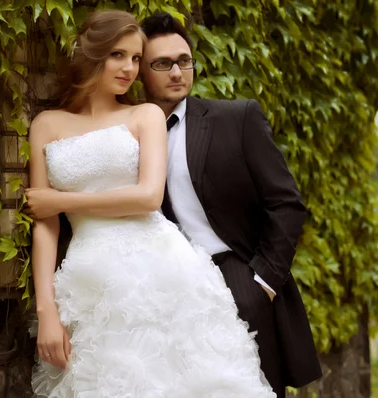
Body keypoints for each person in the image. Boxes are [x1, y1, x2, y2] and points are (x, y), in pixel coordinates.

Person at [26, 10, 276, 397]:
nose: (130, 68)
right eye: (118, 55)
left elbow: (148, 197)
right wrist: (46, 311)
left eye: (137, 58)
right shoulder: (45, 125)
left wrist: (59, 199)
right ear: (91, 54)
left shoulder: (145, 115)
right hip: (89, 281)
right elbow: (46, 224)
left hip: (162, 273)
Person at [136, 12, 323, 397]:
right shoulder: (127, 134)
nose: (176, 72)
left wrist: (263, 283)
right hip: (167, 292)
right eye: (162, 63)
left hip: (238, 277)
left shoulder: (236, 118)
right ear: (141, 71)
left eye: (184, 61)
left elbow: (286, 203)